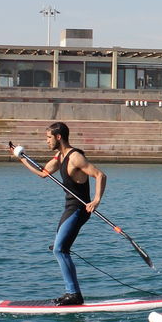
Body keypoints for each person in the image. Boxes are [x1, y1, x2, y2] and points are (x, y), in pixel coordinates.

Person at [11, 121, 107, 305]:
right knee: (60, 248)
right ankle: (72, 293)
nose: (46, 141)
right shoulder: (59, 157)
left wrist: (96, 200)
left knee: (59, 249)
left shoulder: (75, 157)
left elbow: (100, 175)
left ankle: (74, 295)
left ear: (58, 137)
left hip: (79, 208)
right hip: (69, 208)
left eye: (48, 137)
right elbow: (43, 173)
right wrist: (22, 158)